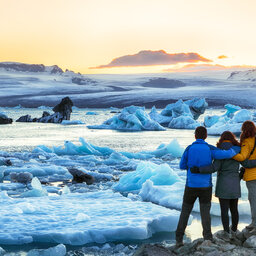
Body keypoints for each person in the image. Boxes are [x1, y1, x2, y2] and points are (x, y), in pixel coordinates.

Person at [175, 126, 238, 247]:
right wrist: (237, 148)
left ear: (195, 136)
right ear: (206, 136)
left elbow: (182, 166)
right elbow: (226, 154)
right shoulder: (209, 148)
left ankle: (179, 240)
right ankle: (207, 238)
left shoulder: (189, 148)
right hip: (205, 187)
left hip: (191, 186)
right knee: (205, 213)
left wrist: (191, 165)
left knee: (185, 212)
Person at [196, 131, 256, 240]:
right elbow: (247, 163)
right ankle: (234, 230)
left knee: (224, 210)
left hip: (223, 185)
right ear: (233, 139)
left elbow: (213, 168)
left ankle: (226, 232)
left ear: (221, 139)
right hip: (235, 184)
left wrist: (199, 169)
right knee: (234, 209)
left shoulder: (220, 152)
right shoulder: (236, 151)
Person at [232, 120, 256, 234]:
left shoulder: (247, 141)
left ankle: (254, 223)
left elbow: (242, 157)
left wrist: (232, 154)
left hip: (252, 176)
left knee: (254, 200)